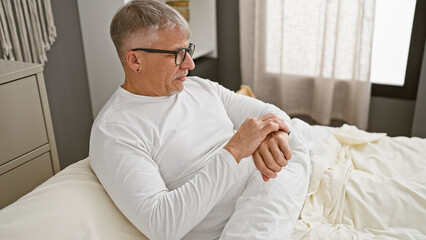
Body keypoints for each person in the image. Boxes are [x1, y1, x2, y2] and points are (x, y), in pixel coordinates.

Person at [89, 0, 301, 239]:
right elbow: (162, 225)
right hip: (242, 221)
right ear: (135, 61)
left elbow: (271, 112)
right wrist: (235, 150)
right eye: (177, 55)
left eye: (187, 49)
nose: (190, 64)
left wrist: (272, 136)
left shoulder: (199, 88)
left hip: (269, 183)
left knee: (300, 134)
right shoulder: (116, 130)